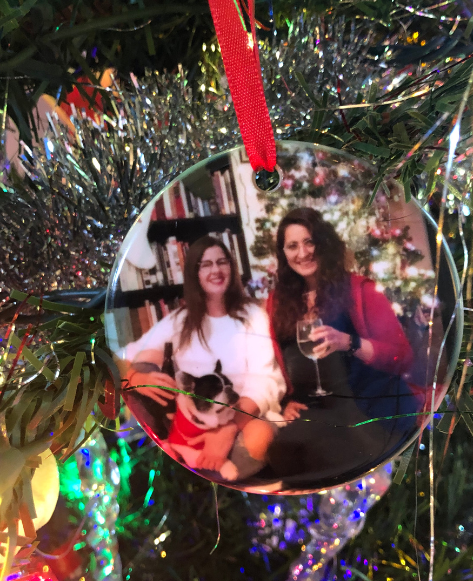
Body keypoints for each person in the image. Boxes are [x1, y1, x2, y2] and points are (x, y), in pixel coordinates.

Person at [121, 236, 299, 481]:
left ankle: (208, 470)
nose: (216, 270)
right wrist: (134, 376)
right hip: (193, 426)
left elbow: (264, 381)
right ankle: (190, 459)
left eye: (222, 262)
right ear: (195, 273)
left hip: (244, 419)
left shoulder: (253, 315)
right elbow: (126, 354)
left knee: (260, 438)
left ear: (231, 267)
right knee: (139, 370)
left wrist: (228, 428)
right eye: (206, 264)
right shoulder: (181, 319)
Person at [265, 207, 415, 486]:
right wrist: (287, 401)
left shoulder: (359, 289)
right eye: (292, 246)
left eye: (310, 241)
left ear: (324, 243)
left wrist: (350, 342)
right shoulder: (277, 302)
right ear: (283, 253)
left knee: (327, 459)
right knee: (281, 453)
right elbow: (278, 366)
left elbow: (403, 357)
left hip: (369, 406)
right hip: (317, 411)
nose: (303, 253)